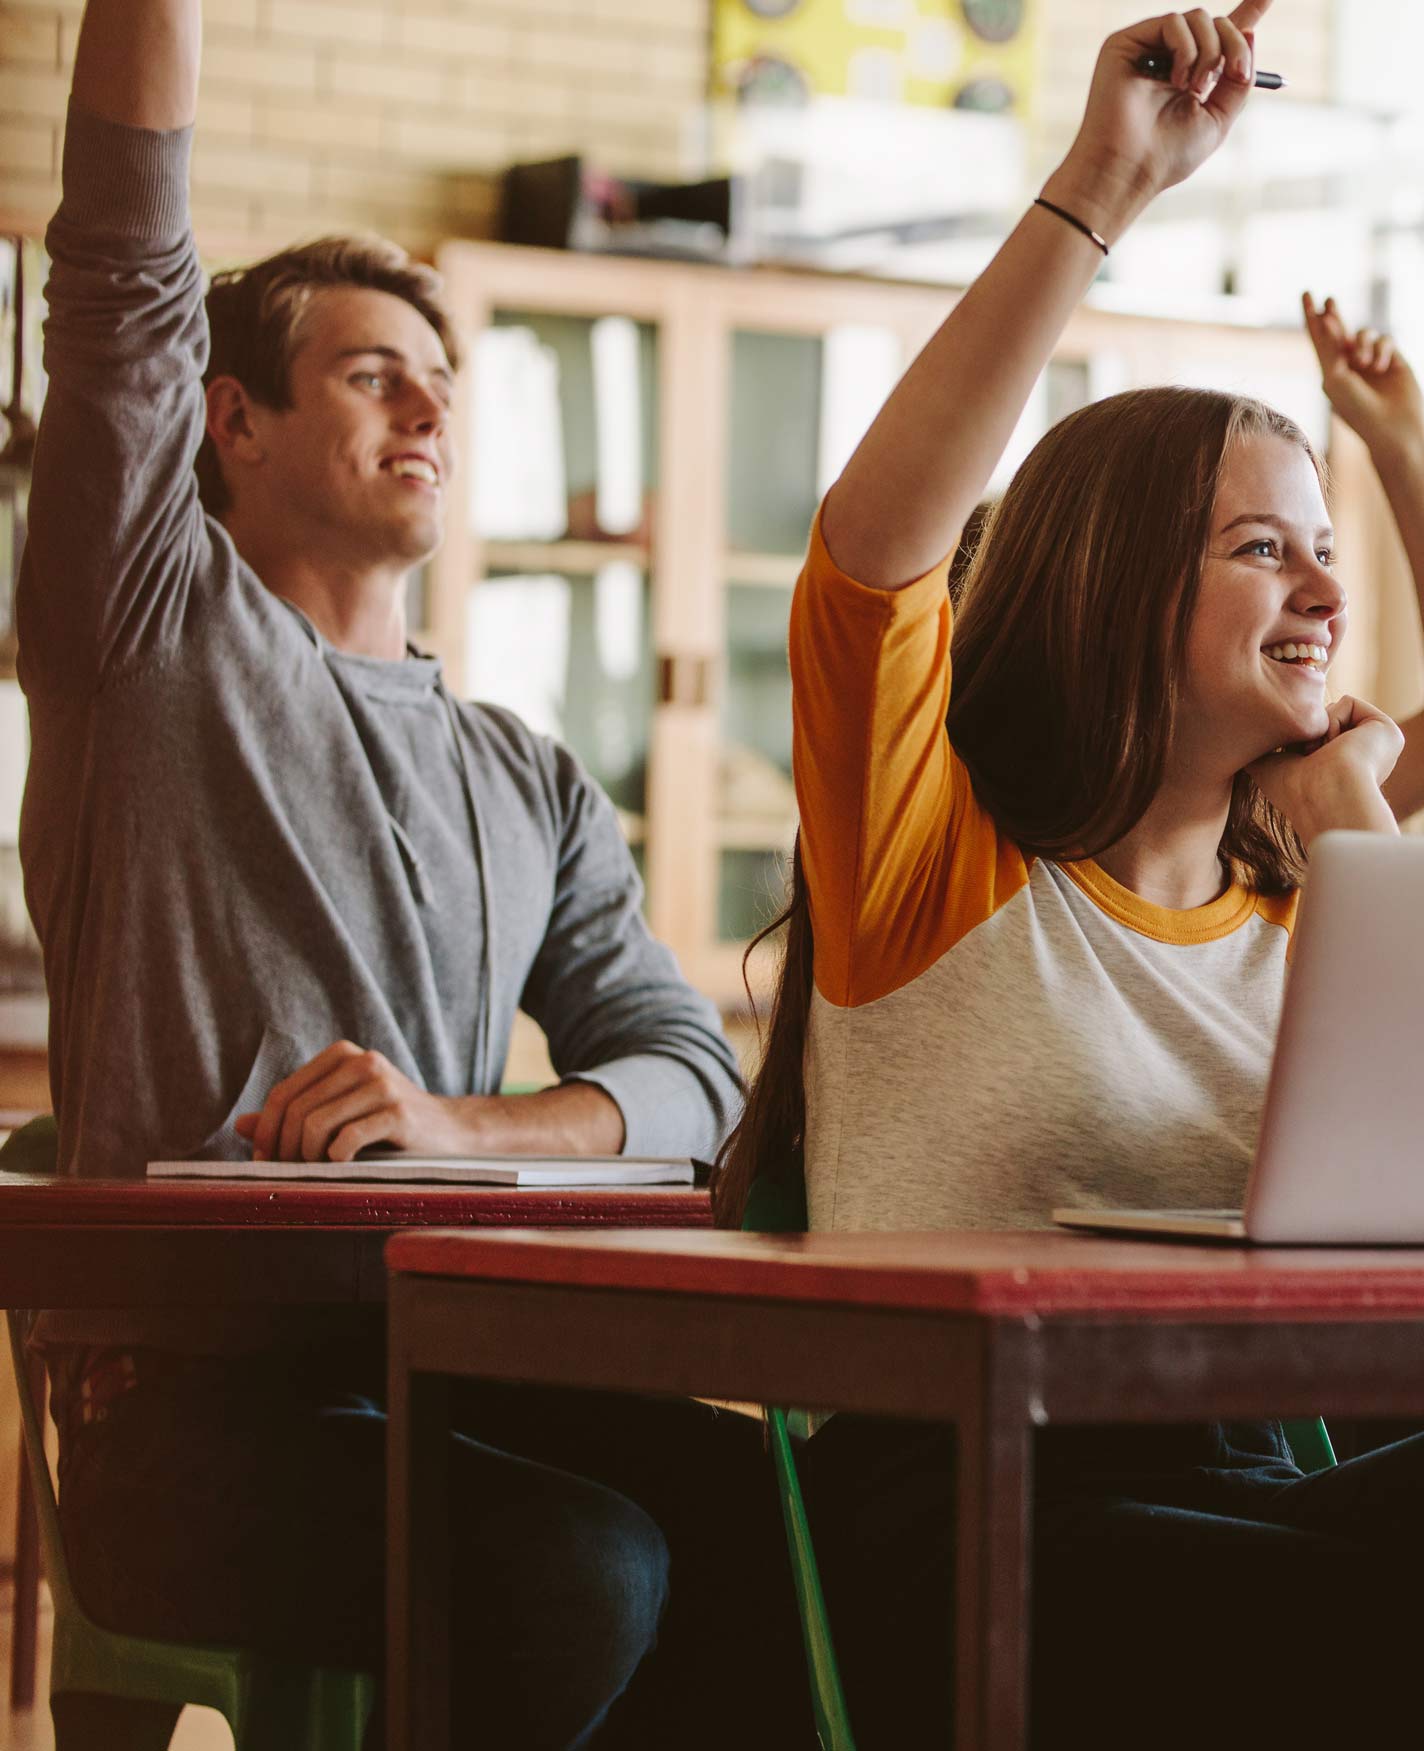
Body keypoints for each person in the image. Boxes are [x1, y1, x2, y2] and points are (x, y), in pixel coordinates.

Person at [718, 7, 1424, 1744]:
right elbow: (875, 552)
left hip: (1255, 1480)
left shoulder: (1296, 892)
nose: (1325, 597)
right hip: (987, 1515)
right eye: (1263, 550)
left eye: (1323, 555)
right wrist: (1103, 184)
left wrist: (1354, 830)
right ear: (1117, 585)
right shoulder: (938, 860)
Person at [26, 3, 795, 1744]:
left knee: (782, 1524)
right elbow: (122, 265)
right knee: (578, 1566)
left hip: (445, 1367)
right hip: (186, 1420)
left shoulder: (526, 774)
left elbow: (691, 1079)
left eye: (443, 378)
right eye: (375, 372)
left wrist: (468, 1125)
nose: (430, 401)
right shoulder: (147, 625)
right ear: (231, 423)